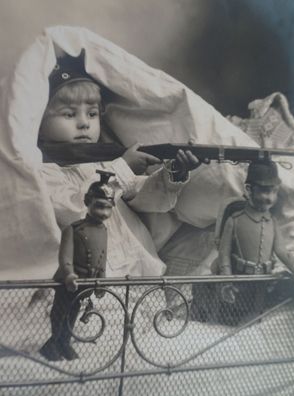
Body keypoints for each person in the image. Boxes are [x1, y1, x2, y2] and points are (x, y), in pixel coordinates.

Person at [39, 51, 201, 279]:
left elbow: (149, 199)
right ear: (39, 122)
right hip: (96, 285)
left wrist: (174, 172)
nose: (84, 123)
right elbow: (74, 210)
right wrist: (123, 167)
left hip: (142, 275)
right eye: (69, 114)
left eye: (92, 114)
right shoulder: (43, 172)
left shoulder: (106, 159)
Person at [40, 170, 116, 361]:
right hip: (70, 282)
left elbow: (102, 258)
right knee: (60, 312)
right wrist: (69, 275)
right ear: (87, 202)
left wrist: (101, 281)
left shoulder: (104, 231)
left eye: (108, 207)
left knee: (73, 314)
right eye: (99, 206)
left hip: (88, 283)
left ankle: (64, 343)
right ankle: (52, 344)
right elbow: (65, 256)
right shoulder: (73, 229)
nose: (104, 213)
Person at [216, 159, 294, 324]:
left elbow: (281, 250)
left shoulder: (272, 221)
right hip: (239, 281)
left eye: (274, 191)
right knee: (230, 317)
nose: (270, 198)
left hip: (261, 283)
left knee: (256, 318)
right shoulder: (235, 220)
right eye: (265, 191)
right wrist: (226, 280)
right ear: (249, 189)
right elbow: (224, 254)